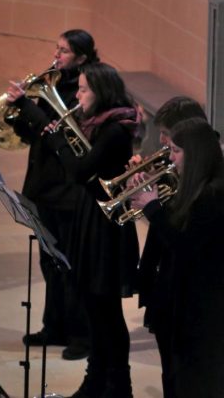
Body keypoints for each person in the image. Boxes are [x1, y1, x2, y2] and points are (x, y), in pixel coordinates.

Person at [44, 62, 140, 398]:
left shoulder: (114, 129)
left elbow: (80, 170)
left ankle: (118, 386)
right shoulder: (98, 123)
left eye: (84, 89)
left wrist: (58, 141)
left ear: (100, 91)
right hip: (91, 218)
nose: (78, 94)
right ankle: (96, 380)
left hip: (106, 227)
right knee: (94, 308)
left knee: (107, 311)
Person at [5, 29, 96, 360]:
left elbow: (56, 131)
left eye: (64, 52)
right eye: (56, 49)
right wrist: (18, 113)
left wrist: (32, 108)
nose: (56, 56)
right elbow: (36, 132)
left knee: (71, 264)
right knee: (49, 261)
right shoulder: (52, 83)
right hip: (44, 186)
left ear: (83, 58)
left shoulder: (88, 89)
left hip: (68, 190)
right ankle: (54, 326)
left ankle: (82, 335)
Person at [130, 117, 224, 397]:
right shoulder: (194, 185)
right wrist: (154, 195)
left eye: (176, 151)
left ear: (194, 154)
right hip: (181, 299)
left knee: (194, 380)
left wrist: (153, 209)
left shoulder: (214, 194)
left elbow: (184, 246)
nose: (170, 159)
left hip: (202, 308)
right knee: (175, 374)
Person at [134, 96, 207, 333]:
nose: (162, 141)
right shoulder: (174, 161)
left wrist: (153, 205)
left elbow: (182, 232)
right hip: (163, 272)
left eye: (166, 134)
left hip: (186, 285)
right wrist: (143, 186)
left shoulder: (205, 176)